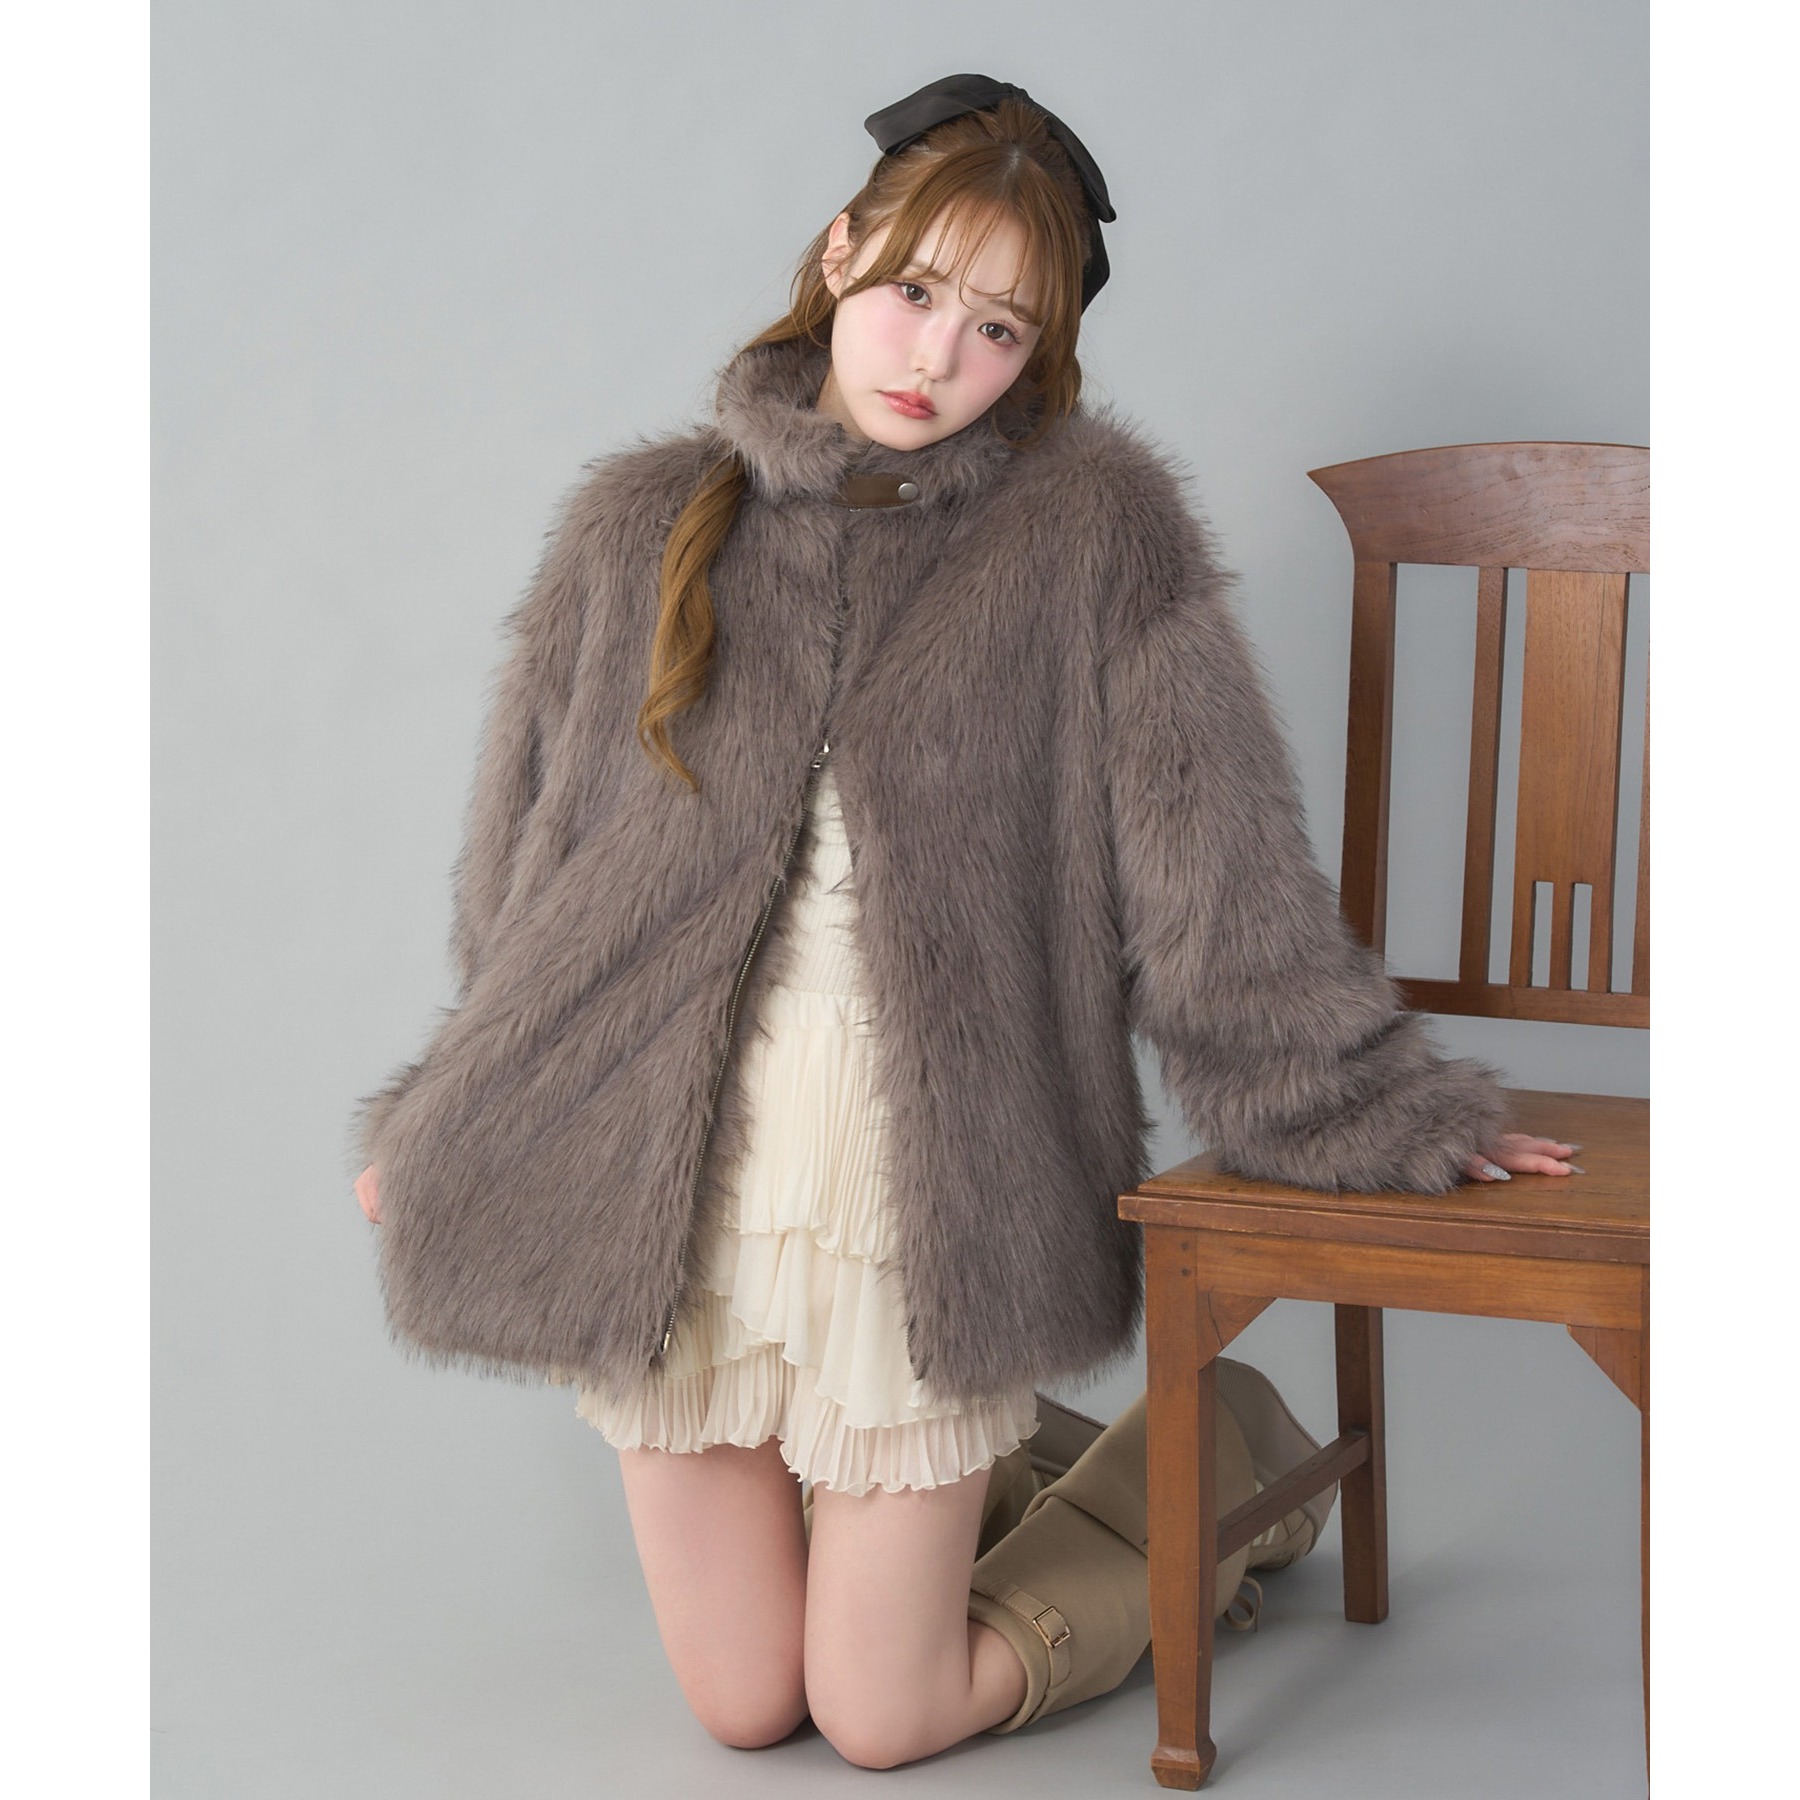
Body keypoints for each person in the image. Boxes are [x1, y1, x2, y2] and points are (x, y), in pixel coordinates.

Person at [348, 74, 1578, 1770]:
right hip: (664, 1168)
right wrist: (454, 1105)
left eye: (998, 328)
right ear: (838, 254)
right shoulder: (643, 523)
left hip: (931, 1183)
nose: (936, 356)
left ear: (1039, 352)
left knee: (879, 1715)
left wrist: (1382, 1110)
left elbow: (1219, 876)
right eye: (915, 291)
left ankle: (1214, 1461)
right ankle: (998, 1473)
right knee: (743, 1706)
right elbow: (528, 880)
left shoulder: (1094, 536)